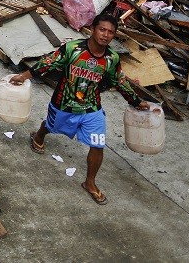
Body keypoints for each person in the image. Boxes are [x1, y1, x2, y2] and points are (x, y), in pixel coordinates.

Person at [9, 13, 150, 205]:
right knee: (51, 126)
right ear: (92, 29)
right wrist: (25, 75)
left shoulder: (112, 58)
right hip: (64, 104)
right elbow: (49, 62)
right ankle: (39, 135)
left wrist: (135, 101)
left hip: (92, 108)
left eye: (110, 32)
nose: (105, 35)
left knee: (98, 144)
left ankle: (90, 182)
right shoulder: (72, 49)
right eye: (102, 29)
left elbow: (119, 80)